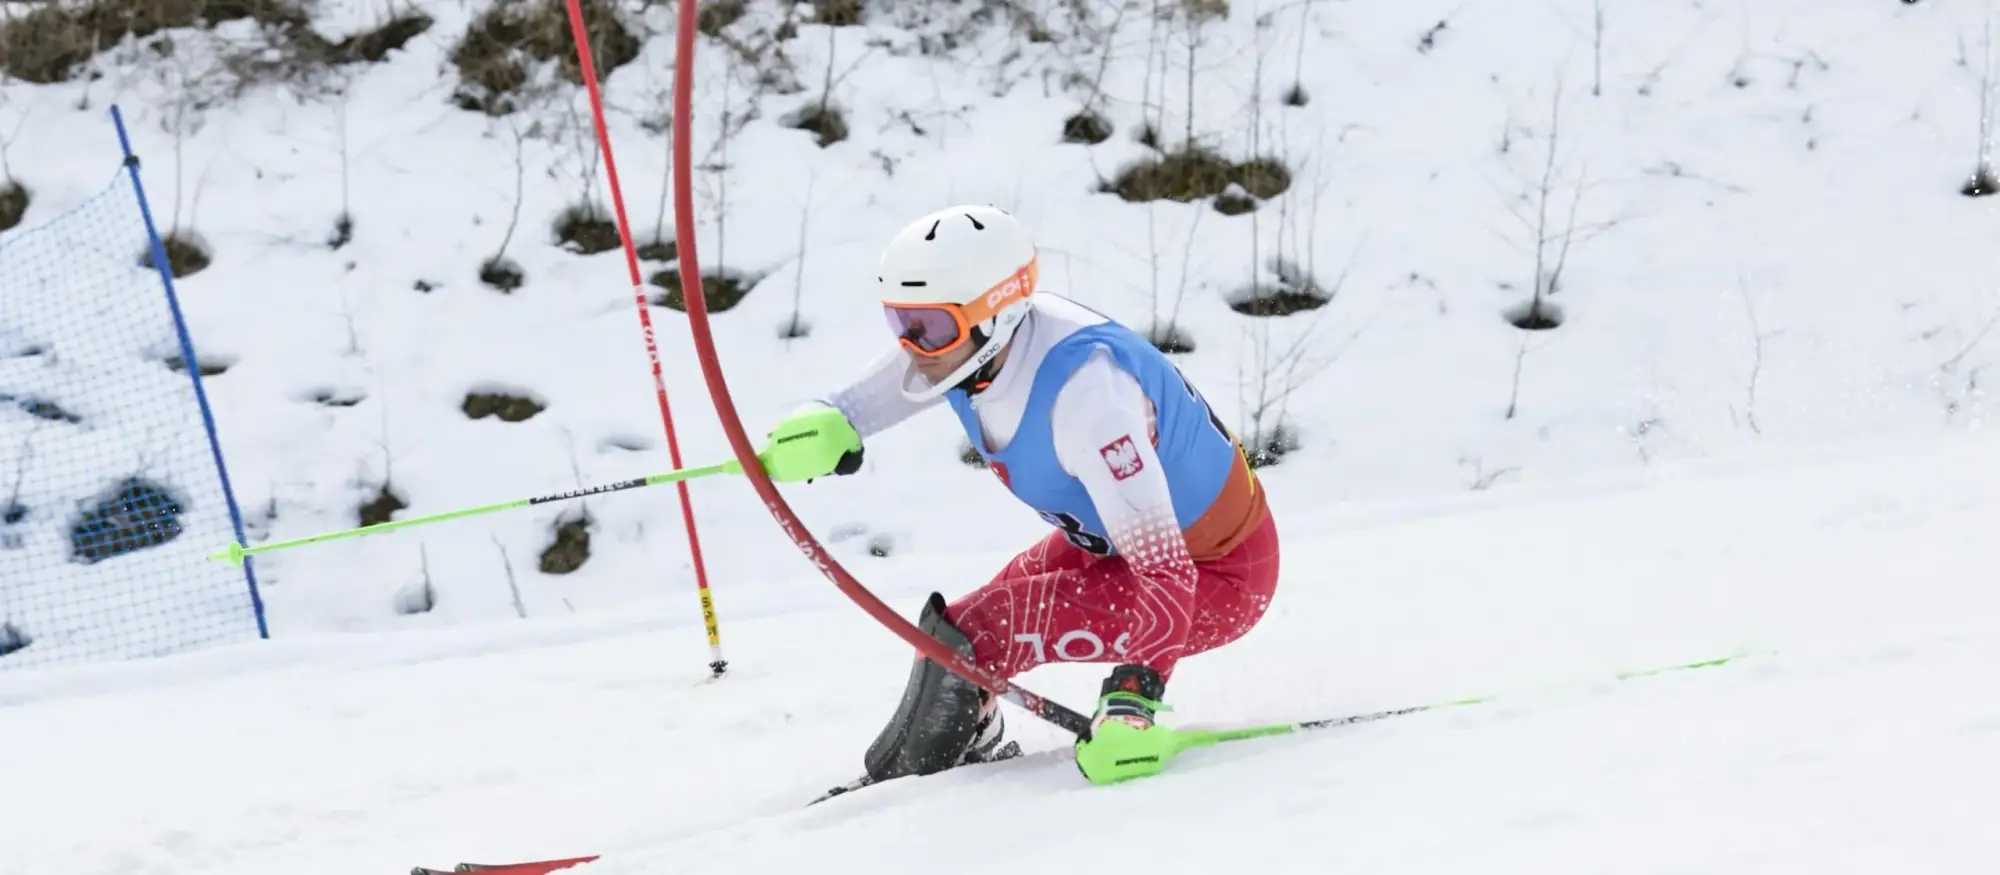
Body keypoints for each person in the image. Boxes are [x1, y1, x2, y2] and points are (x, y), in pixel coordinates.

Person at [754, 204, 1282, 786]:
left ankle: (909, 782)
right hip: (1107, 545)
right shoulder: (962, 355)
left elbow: (1166, 571)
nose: (911, 346)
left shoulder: (1089, 398)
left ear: (998, 316)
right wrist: (828, 422)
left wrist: (1133, 704)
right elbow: (871, 399)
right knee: (956, 632)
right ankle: (953, 749)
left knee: (985, 629)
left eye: (927, 327)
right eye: (899, 320)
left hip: (1217, 575)